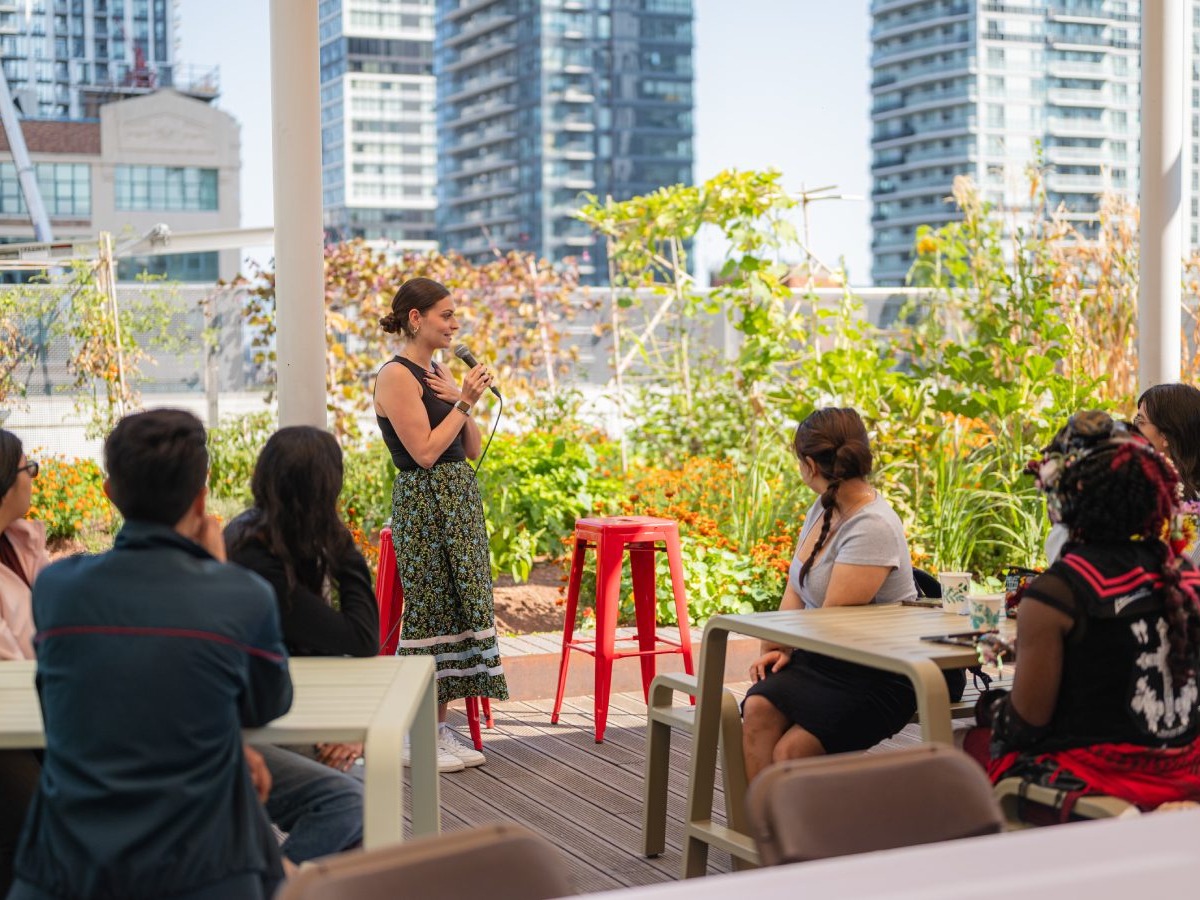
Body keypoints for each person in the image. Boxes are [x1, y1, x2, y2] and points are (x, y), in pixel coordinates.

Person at [9, 410, 293, 900]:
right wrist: (214, 567)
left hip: (67, 870)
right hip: (205, 871)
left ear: (110, 493)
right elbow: (266, 704)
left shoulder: (57, 589)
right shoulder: (241, 596)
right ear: (201, 500)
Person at [974, 410, 1200, 811]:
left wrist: (990, 707)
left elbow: (1028, 723)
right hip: (1187, 771)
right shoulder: (1185, 576)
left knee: (974, 740)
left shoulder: (1056, 594)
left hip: (1107, 785)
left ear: (1063, 497)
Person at [373, 276, 508, 773]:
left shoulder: (435, 370)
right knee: (430, 612)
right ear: (416, 318)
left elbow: (470, 448)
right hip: (426, 501)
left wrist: (458, 397)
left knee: (456, 610)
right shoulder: (395, 376)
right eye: (446, 315)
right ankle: (413, 733)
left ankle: (435, 726)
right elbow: (425, 453)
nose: (455, 324)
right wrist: (466, 401)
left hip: (458, 499)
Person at [741, 407, 917, 783]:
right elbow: (796, 586)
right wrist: (776, 649)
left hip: (879, 672)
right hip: (828, 660)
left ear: (808, 464)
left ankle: (801, 837)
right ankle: (763, 834)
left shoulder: (871, 525)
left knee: (791, 752)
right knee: (757, 707)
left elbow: (832, 622)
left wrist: (792, 645)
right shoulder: (824, 508)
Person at [225, 425, 376, 860]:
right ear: (322, 488)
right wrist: (341, 538)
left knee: (357, 810)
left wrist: (347, 728)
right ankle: (276, 885)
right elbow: (360, 637)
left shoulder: (270, 535)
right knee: (355, 805)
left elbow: (318, 647)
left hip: (277, 702)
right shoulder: (255, 556)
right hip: (250, 721)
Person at [0, 430, 48, 895]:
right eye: (28, 469)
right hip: (9, 731)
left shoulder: (22, 543)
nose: (34, 478)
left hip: (35, 714)